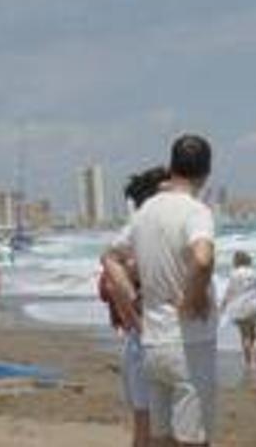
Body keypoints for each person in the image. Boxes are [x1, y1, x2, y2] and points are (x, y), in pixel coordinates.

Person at [101, 135, 218, 446]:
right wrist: (191, 298)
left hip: (153, 343)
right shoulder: (196, 211)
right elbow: (203, 259)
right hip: (189, 344)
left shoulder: (146, 212)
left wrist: (135, 297)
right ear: (206, 173)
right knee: (194, 439)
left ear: (171, 168)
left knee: (161, 438)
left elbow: (109, 258)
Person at [101, 165, 170, 447]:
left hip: (140, 343)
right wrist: (139, 323)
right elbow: (112, 280)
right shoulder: (143, 231)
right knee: (153, 428)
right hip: (148, 344)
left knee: (147, 427)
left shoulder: (139, 231)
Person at [220, 250, 256, 375]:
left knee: (245, 336)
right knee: (254, 333)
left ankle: (249, 362)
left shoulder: (234, 274)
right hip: (253, 306)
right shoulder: (253, 273)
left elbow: (229, 292)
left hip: (240, 308)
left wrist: (222, 307)